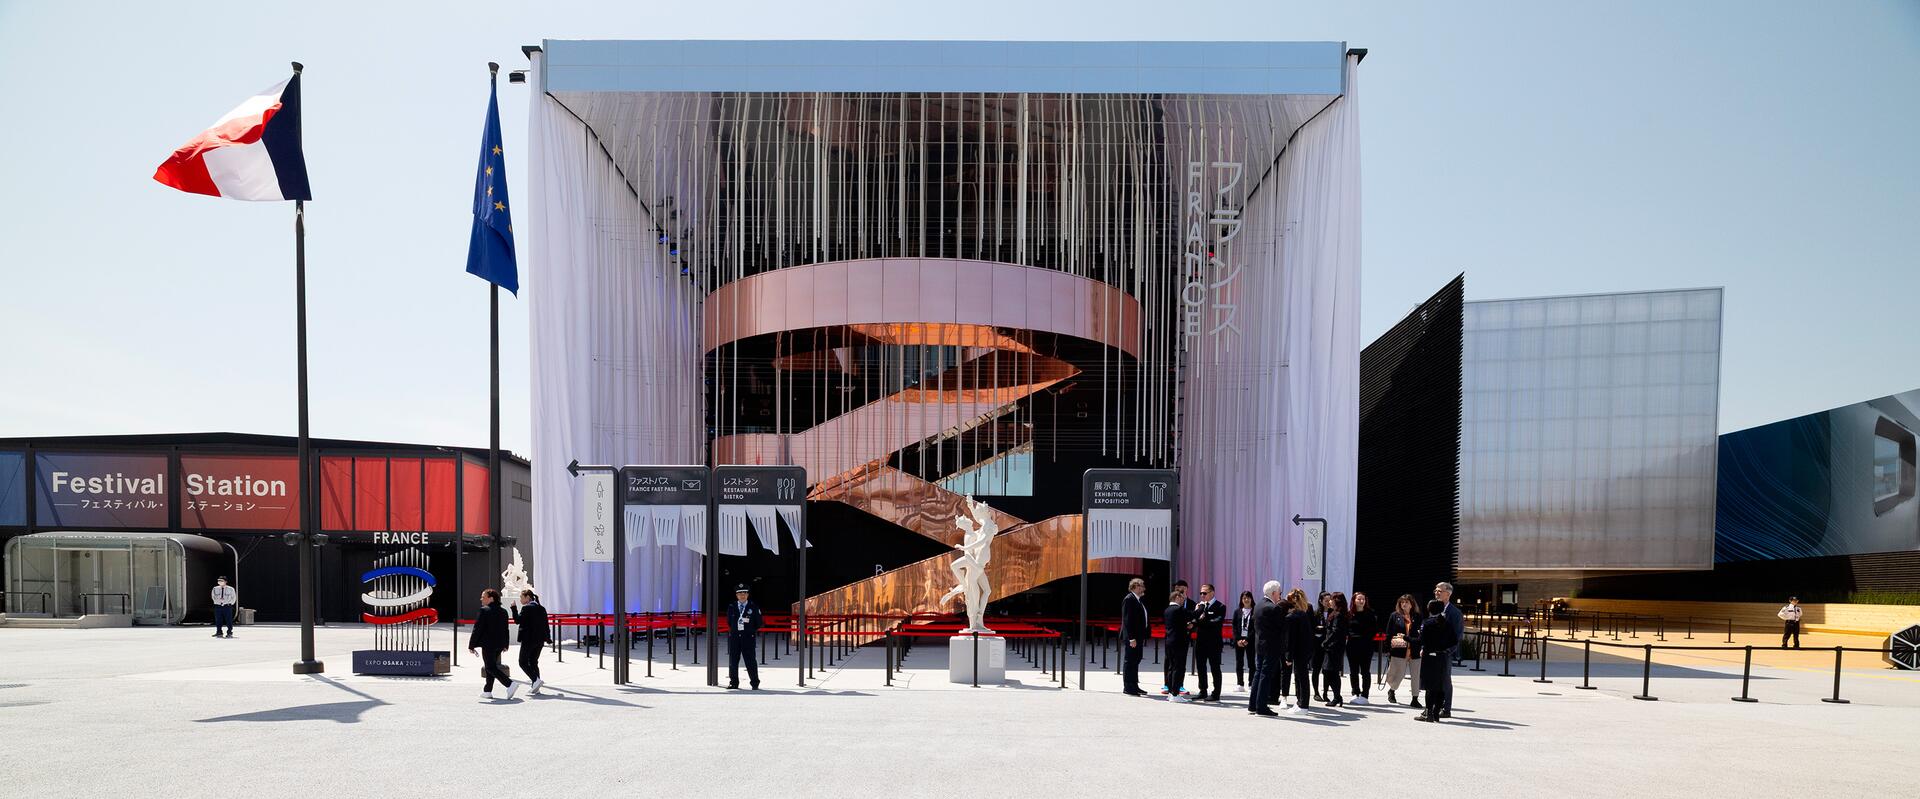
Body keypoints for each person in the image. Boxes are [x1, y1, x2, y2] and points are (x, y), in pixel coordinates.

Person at [1246, 581, 1288, 716]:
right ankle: (1261, 707)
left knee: (1258, 674)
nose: (1280, 595)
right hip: (1271, 646)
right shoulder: (1274, 608)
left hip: (1260, 645)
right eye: (1280, 593)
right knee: (1266, 675)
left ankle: (1253, 705)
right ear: (1274, 593)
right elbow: (1281, 627)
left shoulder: (1258, 605)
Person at [469, 588, 518, 701]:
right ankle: (487, 691)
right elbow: (506, 629)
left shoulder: (484, 610)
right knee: (491, 667)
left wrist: (471, 645)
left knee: (489, 667)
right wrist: (506, 644)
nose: (481, 599)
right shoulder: (503, 611)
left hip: (488, 644)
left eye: (483, 597)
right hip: (499, 644)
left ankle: (509, 684)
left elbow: (477, 629)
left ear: (491, 598)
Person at [1417, 599, 1458, 722]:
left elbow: (1422, 640)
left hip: (1429, 656)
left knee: (1430, 686)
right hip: (1442, 656)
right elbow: (1454, 641)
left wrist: (1408, 638)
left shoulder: (1427, 623)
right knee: (1440, 686)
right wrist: (1445, 649)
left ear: (1429, 609)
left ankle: (1428, 712)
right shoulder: (1447, 623)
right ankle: (1436, 713)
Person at [1384, 593, 1423, 707]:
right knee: (1398, 675)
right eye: (1402, 602)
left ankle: (1415, 698)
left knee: (1416, 676)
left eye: (1406, 602)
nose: (1404, 604)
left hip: (1414, 650)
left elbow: (1421, 633)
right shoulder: (1394, 616)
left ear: (1411, 604)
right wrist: (1388, 649)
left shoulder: (1417, 616)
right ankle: (1392, 690)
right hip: (1399, 650)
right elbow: (1389, 633)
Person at [1433, 582, 1465, 718]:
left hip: (1445, 652)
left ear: (1448, 594)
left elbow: (1457, 635)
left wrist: (1447, 651)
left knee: (1445, 680)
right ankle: (1434, 706)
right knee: (1434, 679)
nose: (1436, 592)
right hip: (1432, 651)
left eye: (1440, 591)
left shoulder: (1455, 613)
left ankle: (1446, 709)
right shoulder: (1434, 609)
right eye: (1436, 590)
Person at [1190, 583, 1226, 701]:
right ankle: (1203, 690)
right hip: (1201, 641)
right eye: (1201, 593)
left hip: (1214, 643)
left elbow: (1216, 622)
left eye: (1204, 593)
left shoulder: (1220, 606)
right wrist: (1195, 617)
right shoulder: (1200, 606)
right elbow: (1194, 619)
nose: (1202, 595)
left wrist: (1201, 621)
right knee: (1200, 667)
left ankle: (1216, 693)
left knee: (1215, 667)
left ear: (1212, 593)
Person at [1284, 589, 1317, 714]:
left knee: (1301, 677)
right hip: (1306, 650)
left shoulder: (1291, 617)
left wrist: (1288, 656)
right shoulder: (1304, 614)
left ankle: (1303, 705)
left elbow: (1290, 639)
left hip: (1298, 651)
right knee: (1300, 676)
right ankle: (1300, 702)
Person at [725, 584, 763, 690]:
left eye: (745, 593)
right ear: (736, 595)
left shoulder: (753, 606)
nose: (742, 595)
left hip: (748, 637)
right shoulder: (732, 606)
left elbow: (758, 622)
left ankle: (755, 683)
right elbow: (729, 622)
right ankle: (733, 682)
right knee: (733, 661)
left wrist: (749, 630)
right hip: (735, 637)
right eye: (740, 593)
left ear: (748, 595)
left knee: (750, 661)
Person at [512, 589, 549, 696]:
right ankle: (535, 685)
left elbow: (517, 620)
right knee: (533, 662)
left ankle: (535, 680)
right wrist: (548, 638)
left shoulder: (526, 608)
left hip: (528, 640)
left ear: (528, 597)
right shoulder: (541, 608)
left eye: (521, 597)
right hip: (540, 640)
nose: (520, 599)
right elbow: (545, 624)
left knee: (522, 662)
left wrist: (514, 608)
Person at [1347, 591, 1379, 705]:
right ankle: (1355, 692)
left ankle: (1365, 695)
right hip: (1352, 646)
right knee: (1353, 671)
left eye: (1363, 599)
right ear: (1354, 601)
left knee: (1365, 671)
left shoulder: (1370, 613)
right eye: (1359, 599)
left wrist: (1365, 638)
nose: (1361, 601)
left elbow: (1374, 630)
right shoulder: (1349, 614)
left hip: (1366, 646)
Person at [1120, 578, 1151, 696]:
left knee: (1136, 660)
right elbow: (1127, 620)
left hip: (1138, 636)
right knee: (1130, 661)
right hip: (1132, 638)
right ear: (1135, 587)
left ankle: (1134, 685)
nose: (1144, 588)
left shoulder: (1138, 600)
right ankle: (1128, 687)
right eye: (1141, 586)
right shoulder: (1129, 599)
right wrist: (1131, 638)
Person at [1319, 592, 1349, 708]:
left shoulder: (1339, 615)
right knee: (1328, 671)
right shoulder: (1335, 613)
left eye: (1331, 599)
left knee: (1332, 672)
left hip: (1334, 647)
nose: (1329, 601)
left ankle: (1337, 697)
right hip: (1332, 647)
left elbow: (1336, 631)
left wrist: (1326, 642)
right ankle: (1337, 696)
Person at [1162, 591, 1192, 702]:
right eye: (1183, 598)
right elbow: (1191, 614)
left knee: (1171, 667)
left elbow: (1178, 623)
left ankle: (1171, 692)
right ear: (1177, 597)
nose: (1184, 600)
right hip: (1179, 642)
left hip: (1169, 641)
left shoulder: (1167, 610)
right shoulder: (1178, 609)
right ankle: (1175, 693)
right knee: (1178, 667)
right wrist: (1200, 608)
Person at [1232, 590, 1257, 689]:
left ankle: (1251, 683)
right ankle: (1240, 683)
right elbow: (1234, 627)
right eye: (1244, 598)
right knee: (1239, 663)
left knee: (1251, 663)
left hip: (1250, 641)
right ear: (1241, 600)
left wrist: (1247, 639)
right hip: (1239, 641)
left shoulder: (1255, 611)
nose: (1246, 600)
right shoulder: (1237, 611)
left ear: (1251, 599)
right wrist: (1238, 640)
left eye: (1248, 598)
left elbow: (1255, 628)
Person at [1310, 591, 1331, 700]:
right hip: (1317, 645)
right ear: (1321, 601)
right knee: (1316, 669)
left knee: (1327, 670)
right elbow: (1311, 628)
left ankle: (1326, 693)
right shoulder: (1315, 613)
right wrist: (1318, 628)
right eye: (1326, 600)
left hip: (1329, 645)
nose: (1328, 602)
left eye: (1329, 600)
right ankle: (1316, 692)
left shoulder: (1333, 613)